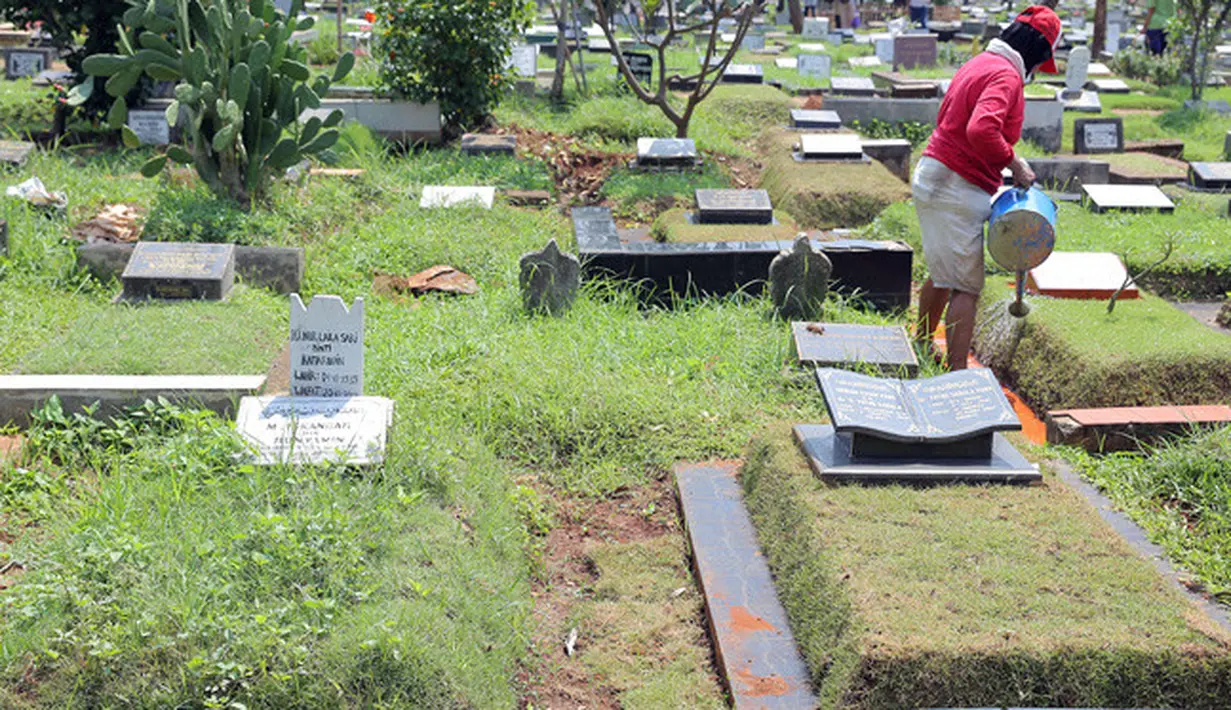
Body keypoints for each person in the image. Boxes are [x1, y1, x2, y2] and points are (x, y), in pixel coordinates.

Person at [912, 5, 1060, 371]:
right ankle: (957, 374)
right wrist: (1015, 163)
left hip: (935, 174)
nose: (1037, 71)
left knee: (944, 271)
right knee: (967, 286)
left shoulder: (980, 63)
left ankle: (921, 345)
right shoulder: (1006, 75)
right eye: (1041, 62)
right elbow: (981, 129)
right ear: (1037, 52)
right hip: (955, 184)